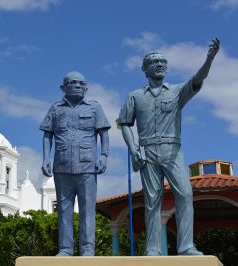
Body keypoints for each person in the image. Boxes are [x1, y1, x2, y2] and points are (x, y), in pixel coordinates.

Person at [118, 38, 220, 256]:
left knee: (185, 194)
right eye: (154, 61)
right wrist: (133, 148)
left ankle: (186, 246)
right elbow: (125, 123)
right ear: (145, 68)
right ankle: (153, 248)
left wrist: (209, 59)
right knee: (152, 200)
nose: (160, 64)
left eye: (163, 61)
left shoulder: (177, 91)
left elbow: (198, 79)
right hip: (147, 151)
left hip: (172, 151)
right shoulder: (134, 96)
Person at [40, 71, 111, 256]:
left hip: (87, 168)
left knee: (88, 209)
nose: (78, 85)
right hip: (62, 167)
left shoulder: (95, 108)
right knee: (64, 211)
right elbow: (47, 135)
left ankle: (88, 248)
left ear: (86, 88)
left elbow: (104, 133)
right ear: (63, 87)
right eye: (73, 82)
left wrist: (104, 156)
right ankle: (65, 249)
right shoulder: (55, 109)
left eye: (82, 83)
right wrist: (46, 159)